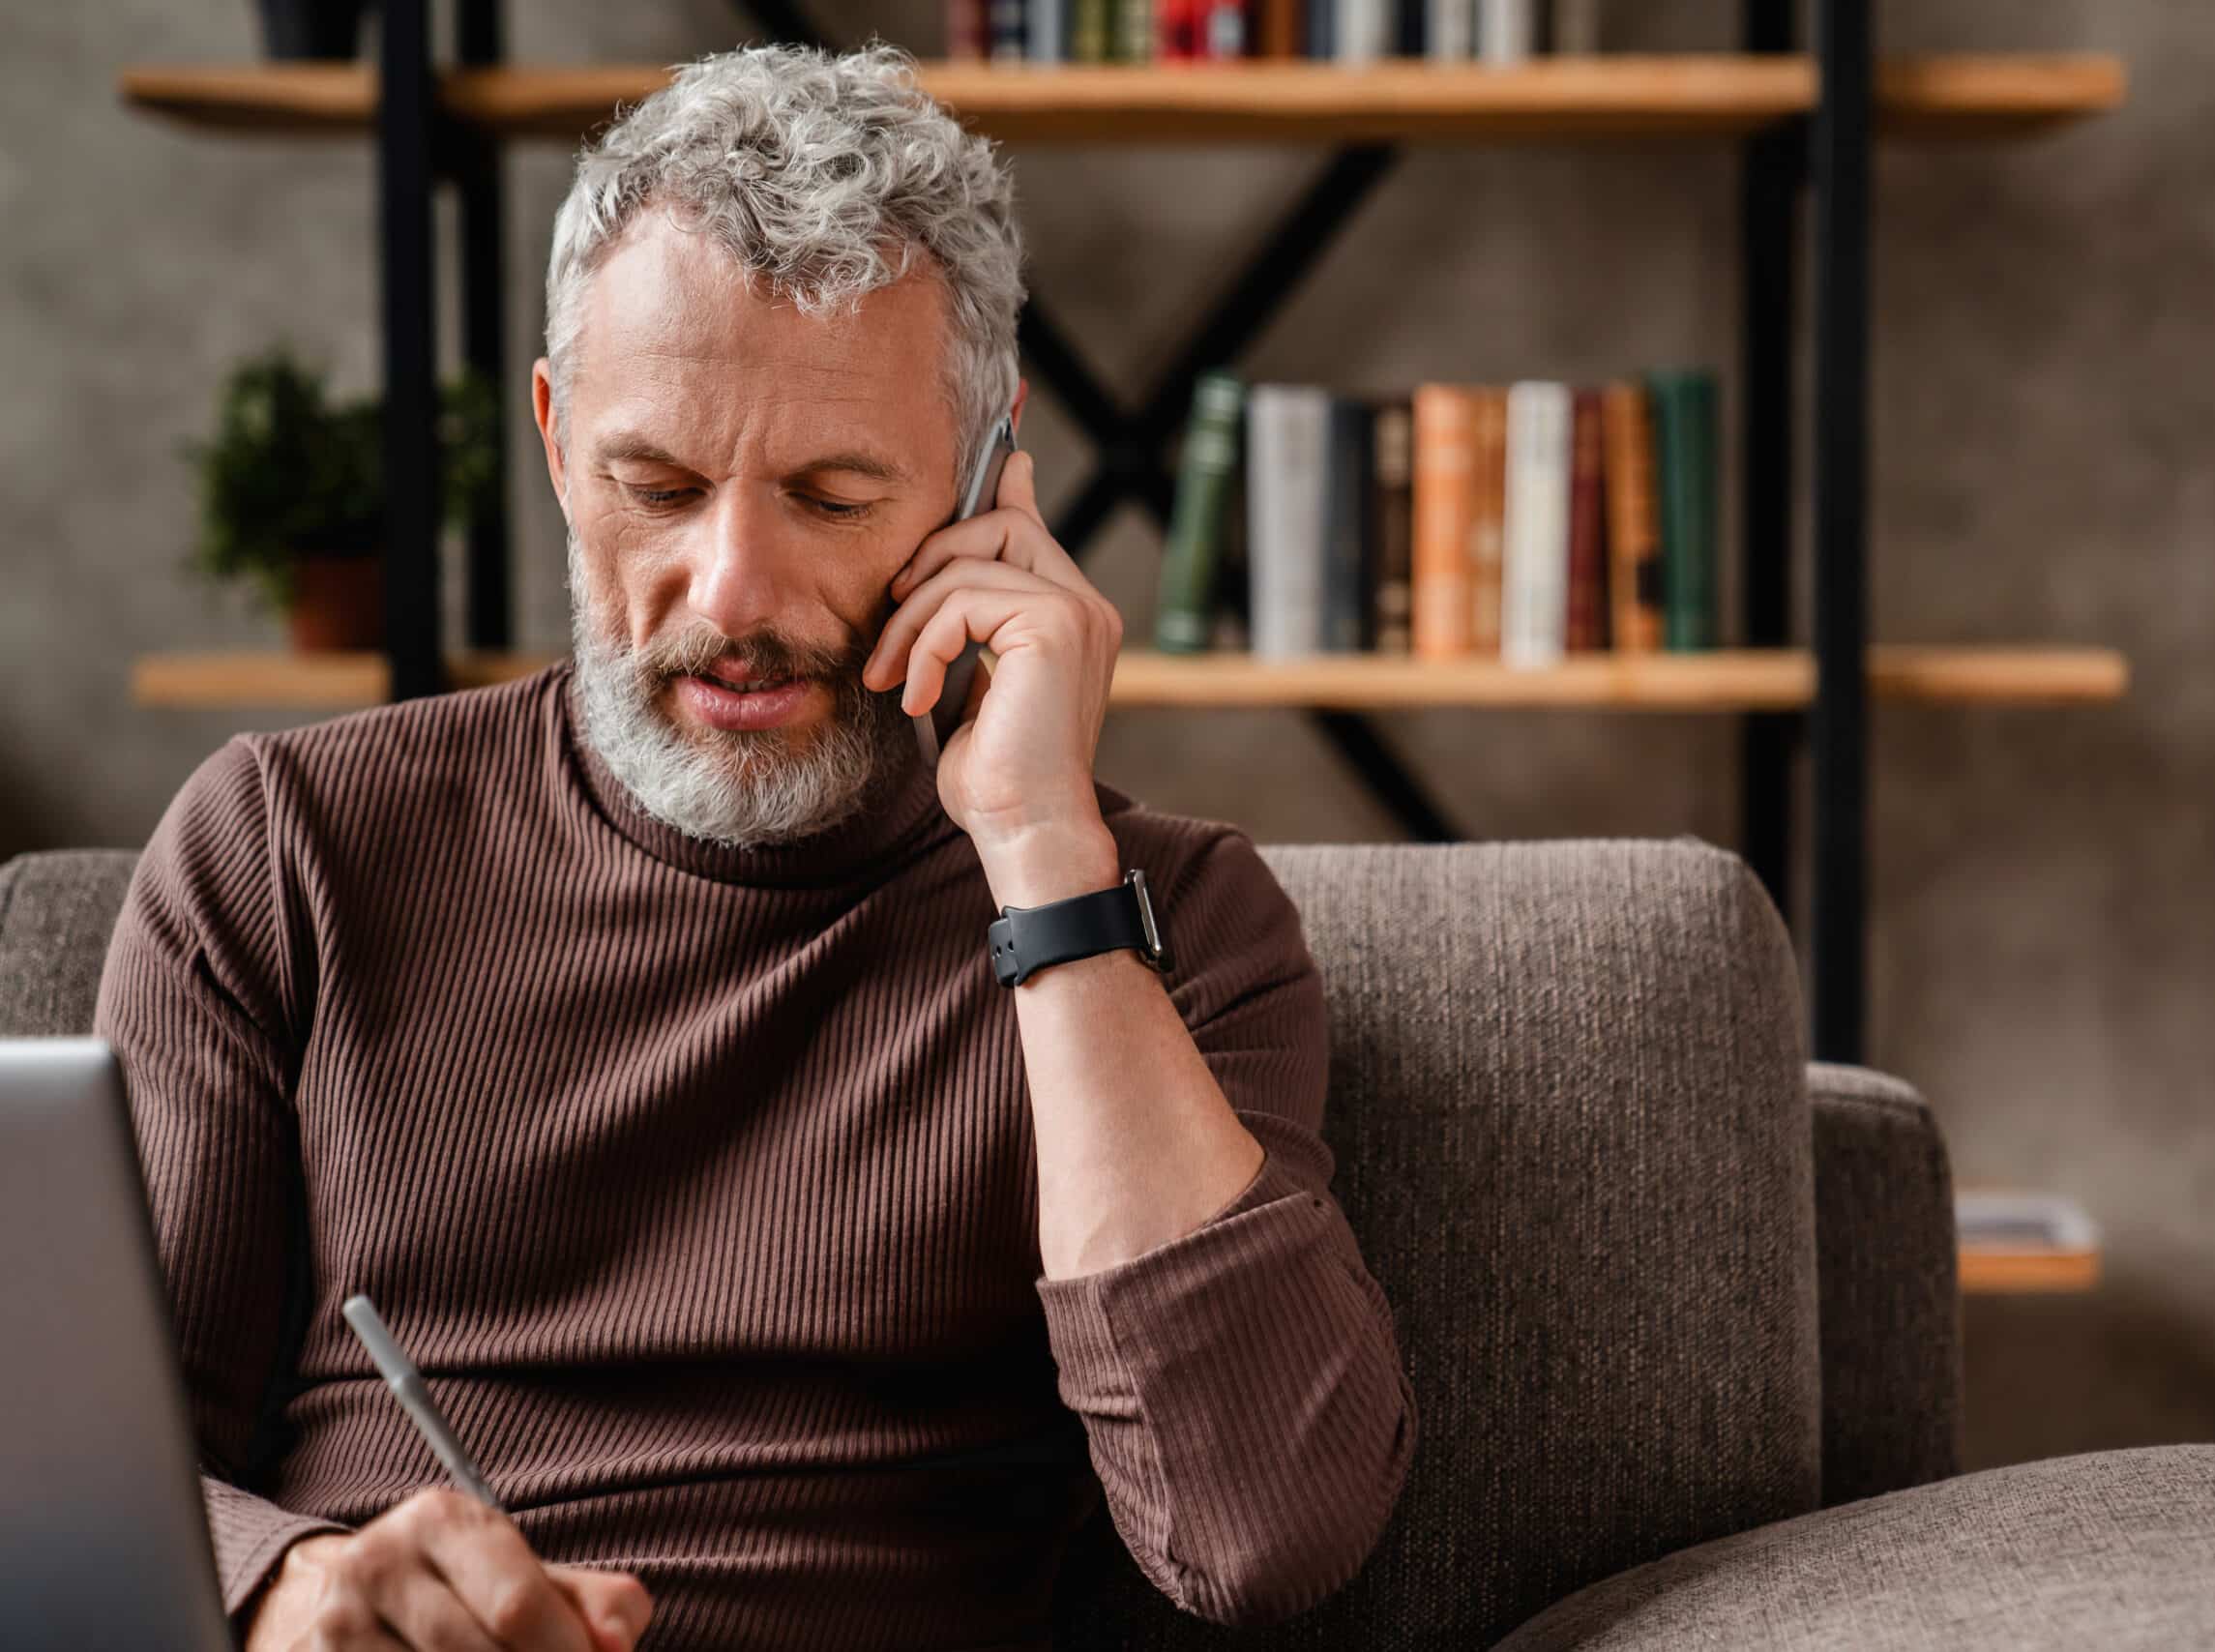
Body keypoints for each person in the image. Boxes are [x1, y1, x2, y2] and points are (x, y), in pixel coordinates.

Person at [98, 41, 1414, 1652]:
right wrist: (284, 1588)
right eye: (655, 483)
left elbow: (1265, 1537)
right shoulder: (283, 850)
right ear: (557, 437)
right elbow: (83, 1476)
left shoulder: (1169, 921)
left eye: (836, 495)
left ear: (992, 473)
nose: (731, 594)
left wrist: (1044, 860)